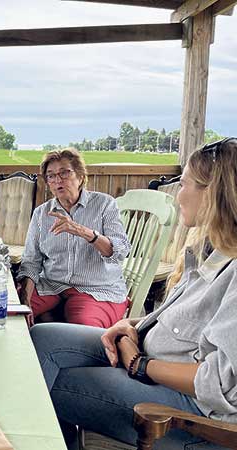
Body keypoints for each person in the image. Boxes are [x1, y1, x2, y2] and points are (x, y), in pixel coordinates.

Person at [31, 138, 237, 449]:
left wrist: (139, 364)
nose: (179, 194)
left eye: (185, 184)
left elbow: (221, 383)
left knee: (44, 382)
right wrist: (131, 326)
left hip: (187, 406)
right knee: (40, 338)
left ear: (215, 194)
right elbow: (183, 321)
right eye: (51, 175)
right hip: (144, 348)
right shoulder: (211, 251)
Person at [17, 148, 130, 328]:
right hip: (52, 285)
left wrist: (83, 231)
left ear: (80, 176)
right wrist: (24, 300)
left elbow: (120, 252)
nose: (58, 180)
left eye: (64, 173)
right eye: (51, 176)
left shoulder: (104, 204)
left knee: (82, 330)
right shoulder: (41, 214)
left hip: (96, 289)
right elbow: (31, 261)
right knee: (11, 313)